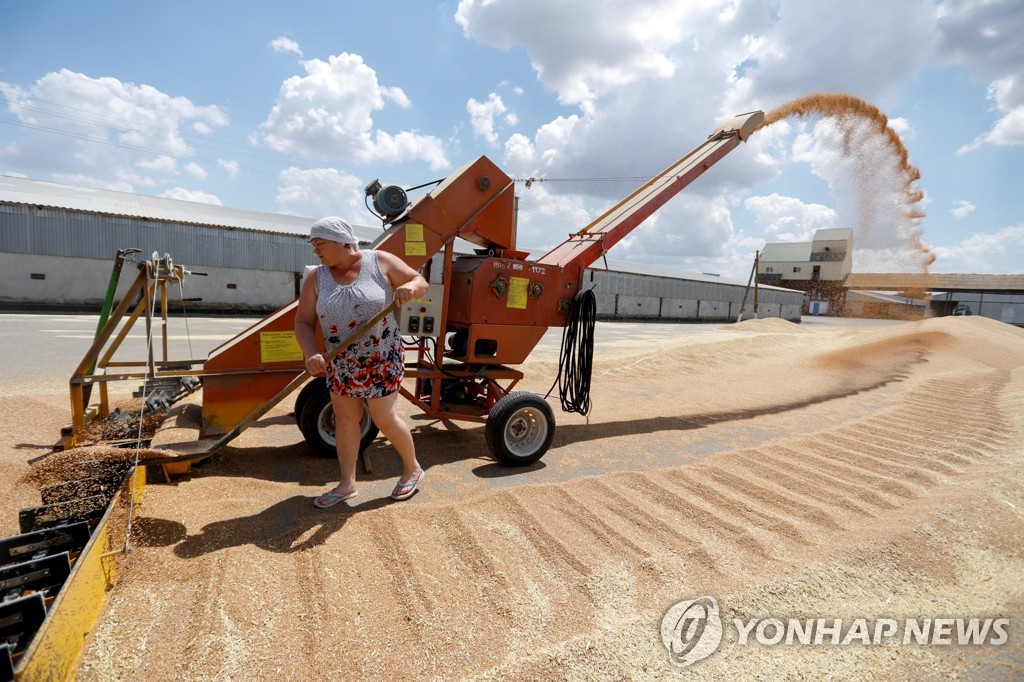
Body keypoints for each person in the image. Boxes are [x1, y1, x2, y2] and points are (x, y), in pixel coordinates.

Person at [295, 216, 429, 507]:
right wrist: (310, 353)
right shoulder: (317, 277)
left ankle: (413, 468)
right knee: (345, 421)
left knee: (383, 417)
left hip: (381, 356)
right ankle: (347, 484)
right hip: (340, 361)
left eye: (320, 244)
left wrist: (410, 288)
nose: (316, 250)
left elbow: (421, 282)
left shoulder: (378, 261)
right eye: (313, 245)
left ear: (343, 241)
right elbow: (303, 321)